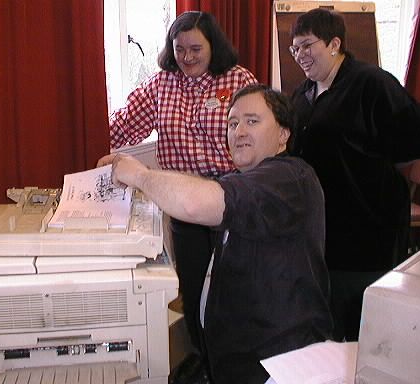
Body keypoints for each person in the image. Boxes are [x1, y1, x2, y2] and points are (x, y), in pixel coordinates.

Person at [109, 84, 333, 384]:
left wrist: (139, 174)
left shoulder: (288, 177)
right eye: (232, 123)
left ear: (283, 134)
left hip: (280, 367)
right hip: (243, 361)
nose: (238, 131)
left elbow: (193, 201)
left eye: (252, 121)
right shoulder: (247, 180)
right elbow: (199, 186)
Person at [99, 11, 257, 377]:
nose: (187, 57)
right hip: (182, 202)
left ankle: (233, 358)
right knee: (191, 285)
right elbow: (125, 125)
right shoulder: (161, 85)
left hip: (228, 199)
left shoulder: (238, 80)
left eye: (195, 48)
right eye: (179, 48)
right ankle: (204, 356)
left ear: (212, 45)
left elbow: (257, 135)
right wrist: (87, 132)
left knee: (233, 286)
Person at [288, 8, 420, 342]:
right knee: (330, 319)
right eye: (295, 48)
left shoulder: (371, 83)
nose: (300, 55)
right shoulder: (303, 93)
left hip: (367, 228)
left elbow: (414, 139)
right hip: (323, 231)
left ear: (334, 43)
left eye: (307, 45)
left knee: (365, 325)